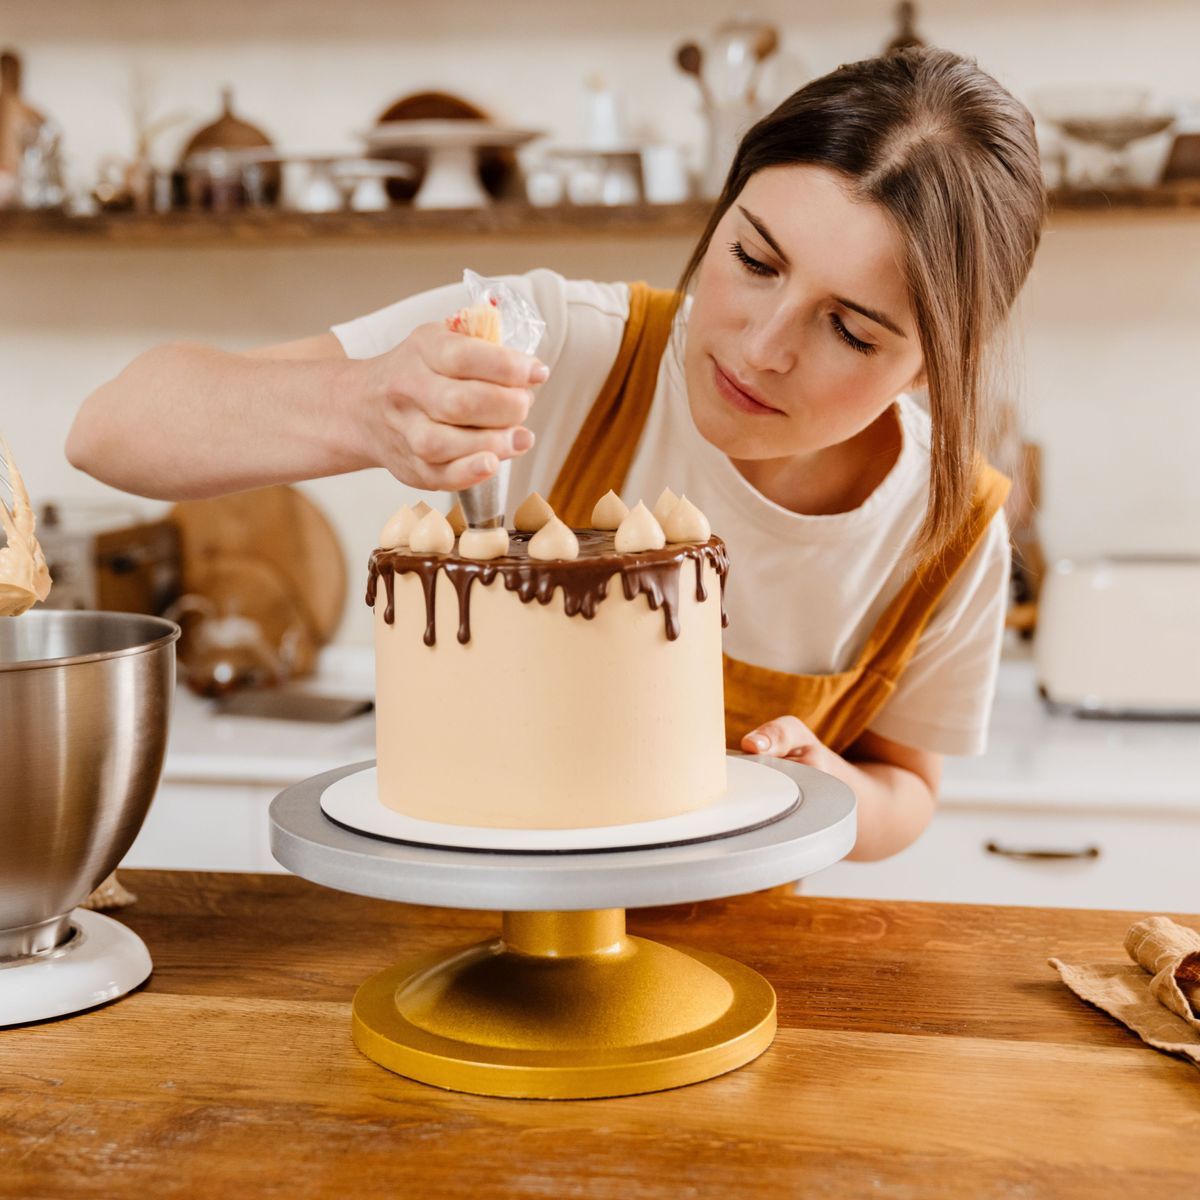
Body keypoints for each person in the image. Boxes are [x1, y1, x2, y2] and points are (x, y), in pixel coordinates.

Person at [67, 48, 1046, 862]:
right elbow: (111, 431)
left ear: (932, 366)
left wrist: (833, 788)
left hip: (754, 978)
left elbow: (906, 788)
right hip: (464, 928)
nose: (760, 346)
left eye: (853, 329)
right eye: (753, 261)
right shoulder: (553, 343)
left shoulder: (948, 530)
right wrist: (362, 404)